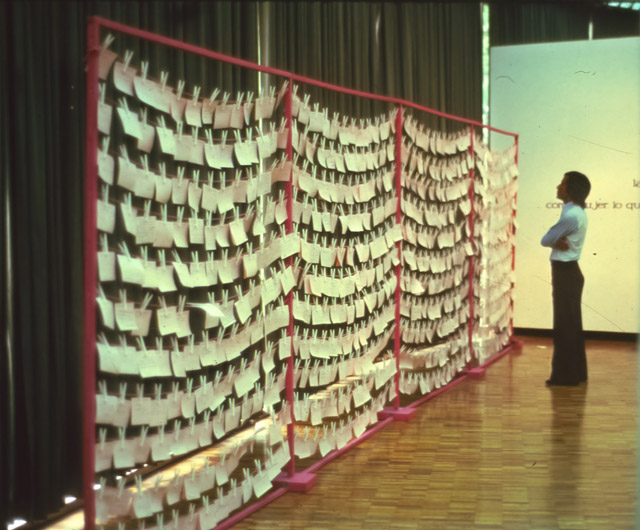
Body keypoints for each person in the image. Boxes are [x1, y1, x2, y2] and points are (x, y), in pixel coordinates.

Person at [540, 171, 591, 386]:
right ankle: (576, 373)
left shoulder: (571, 215)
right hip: (569, 272)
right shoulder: (574, 212)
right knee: (570, 324)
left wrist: (554, 239)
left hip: (565, 272)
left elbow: (545, 239)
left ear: (571, 189)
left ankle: (565, 376)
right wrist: (555, 239)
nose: (558, 186)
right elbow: (552, 239)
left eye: (562, 183)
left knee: (564, 325)